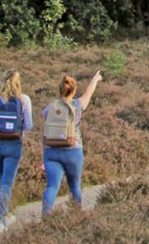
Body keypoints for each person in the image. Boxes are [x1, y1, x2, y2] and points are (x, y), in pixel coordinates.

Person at [41, 70, 103, 215]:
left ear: (60, 90)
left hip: (51, 152)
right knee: (75, 185)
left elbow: (43, 128)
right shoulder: (77, 105)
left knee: (52, 186)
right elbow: (89, 92)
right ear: (73, 90)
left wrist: (44, 152)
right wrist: (95, 79)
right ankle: (76, 215)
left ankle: (44, 217)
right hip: (73, 151)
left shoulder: (50, 108)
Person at [0, 69, 33, 234]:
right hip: (13, 145)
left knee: (2, 180)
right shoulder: (24, 99)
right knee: (6, 183)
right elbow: (29, 125)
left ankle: (5, 214)